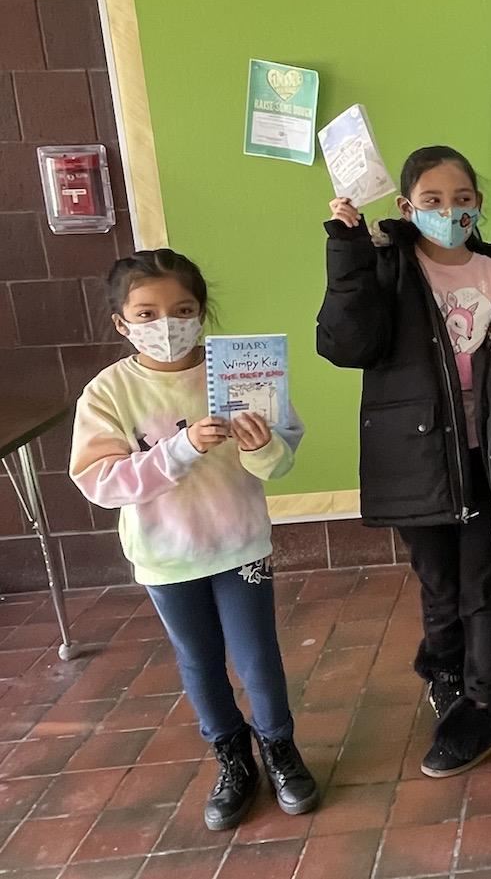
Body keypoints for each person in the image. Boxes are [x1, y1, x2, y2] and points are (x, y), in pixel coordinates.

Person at [316, 146, 491, 778]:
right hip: (417, 458)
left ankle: (487, 701)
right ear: (405, 207)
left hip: (487, 461)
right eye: (432, 201)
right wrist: (347, 253)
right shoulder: (388, 268)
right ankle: (446, 673)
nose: (449, 212)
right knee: (438, 582)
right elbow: (346, 345)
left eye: (461, 200)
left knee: (483, 583)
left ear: (478, 203)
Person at [71, 250, 318, 830]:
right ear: (121, 322)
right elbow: (101, 481)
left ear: (202, 314)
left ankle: (279, 748)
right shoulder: (108, 393)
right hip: (166, 556)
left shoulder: (240, 370)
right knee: (200, 661)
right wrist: (180, 449)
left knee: (258, 656)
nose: (167, 324)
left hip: (240, 545)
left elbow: (277, 466)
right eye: (148, 312)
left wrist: (259, 445)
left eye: (182, 309)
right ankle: (232, 757)